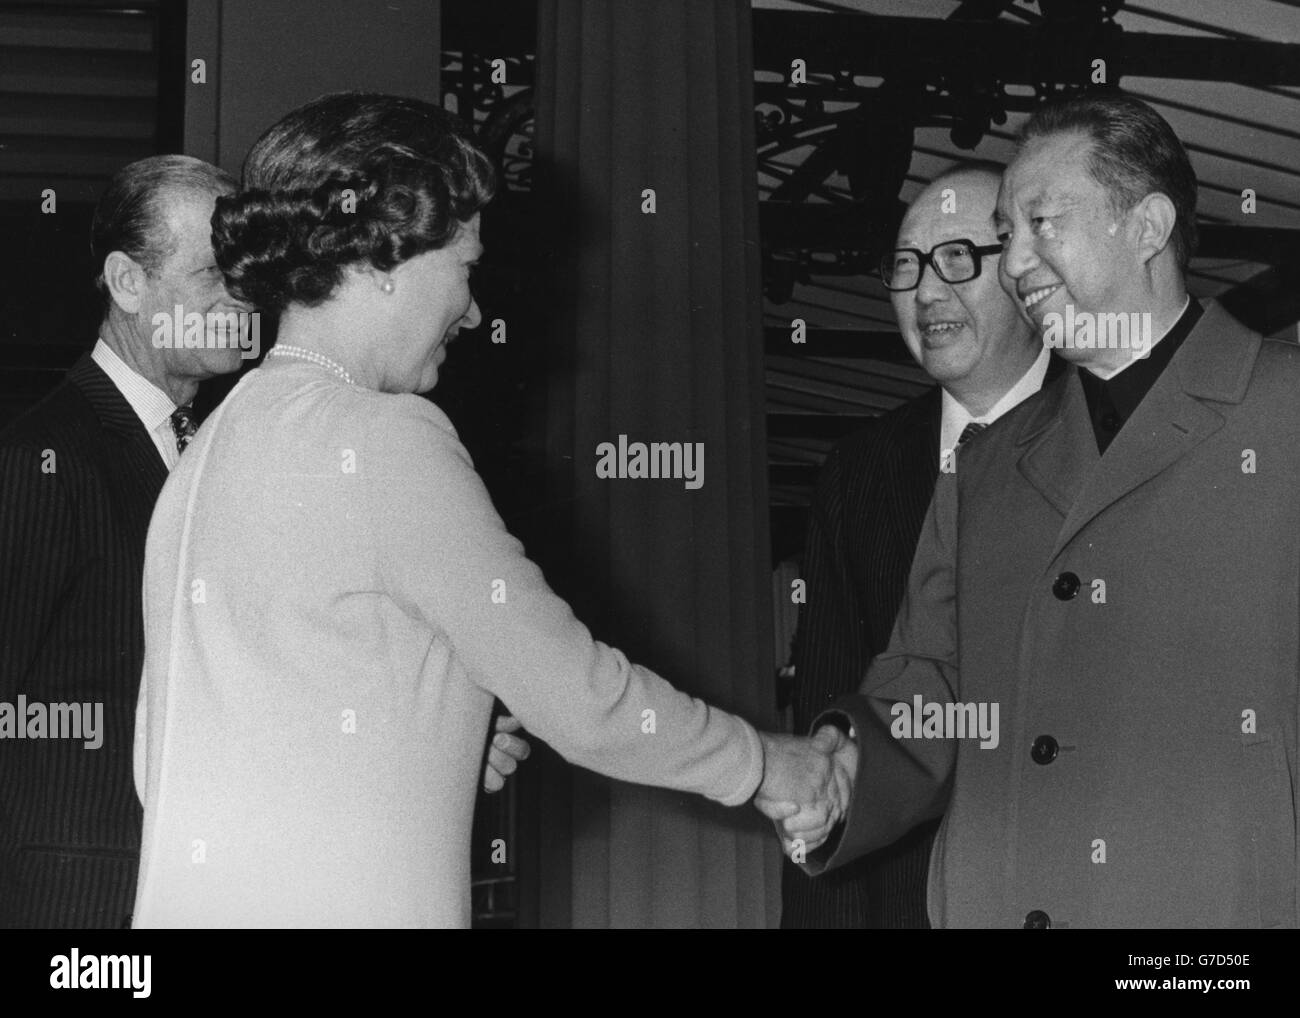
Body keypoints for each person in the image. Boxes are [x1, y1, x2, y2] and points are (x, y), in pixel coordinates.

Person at [130, 92, 835, 929]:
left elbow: (164, 760)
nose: (473, 310)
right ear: (380, 260)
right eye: (464, 267)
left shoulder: (207, 448)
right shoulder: (387, 438)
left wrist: (431, 741)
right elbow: (578, 698)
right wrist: (766, 765)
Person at [785, 92, 1300, 928]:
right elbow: (932, 685)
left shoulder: (1284, 413)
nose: (1014, 260)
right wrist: (842, 773)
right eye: (1005, 230)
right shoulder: (986, 464)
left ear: (1148, 227)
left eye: (1040, 223)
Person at [781, 162, 1063, 929]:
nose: (927, 292)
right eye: (905, 266)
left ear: (1024, 271)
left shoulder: (1112, 435)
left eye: (957, 259)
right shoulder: (858, 472)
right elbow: (830, 710)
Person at [0, 155, 247, 927]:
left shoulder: (215, 449)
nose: (246, 298)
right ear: (128, 282)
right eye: (215, 273)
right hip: (77, 892)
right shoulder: (45, 457)